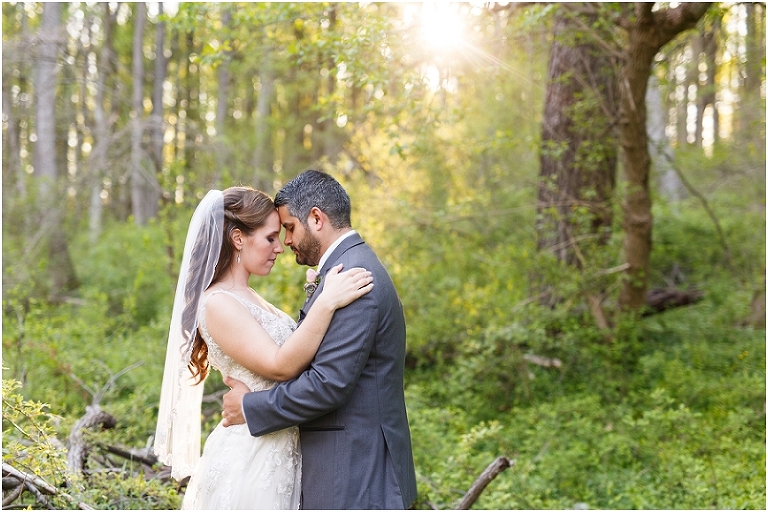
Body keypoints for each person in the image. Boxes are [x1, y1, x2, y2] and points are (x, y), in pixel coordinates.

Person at [154, 186, 374, 509]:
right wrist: (326, 302)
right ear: (238, 238)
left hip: (281, 447)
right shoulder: (217, 303)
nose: (280, 247)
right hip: (251, 455)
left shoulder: (252, 299)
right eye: (270, 238)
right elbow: (279, 365)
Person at [222, 171, 418, 509]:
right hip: (346, 466)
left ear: (316, 218)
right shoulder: (347, 267)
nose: (286, 241)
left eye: (289, 228)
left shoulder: (354, 277)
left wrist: (250, 407)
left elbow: (328, 384)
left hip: (355, 473)